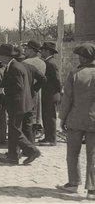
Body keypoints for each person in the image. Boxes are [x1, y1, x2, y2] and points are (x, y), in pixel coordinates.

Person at [57, 43, 95, 200]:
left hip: (75, 119)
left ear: (83, 57)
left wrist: (62, 118)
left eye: (80, 55)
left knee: (72, 153)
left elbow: (67, 99)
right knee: (93, 155)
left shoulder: (75, 74)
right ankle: (92, 190)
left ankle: (73, 183)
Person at [0, 44, 41, 165]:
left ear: (6, 56)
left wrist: (4, 91)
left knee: (15, 131)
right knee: (13, 130)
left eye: (0, 56)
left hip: (17, 104)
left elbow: (18, 87)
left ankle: (32, 150)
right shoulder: (15, 65)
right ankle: (13, 156)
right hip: (21, 103)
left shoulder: (14, 67)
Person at [22, 39, 46, 140]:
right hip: (38, 90)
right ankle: (34, 135)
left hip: (27, 91)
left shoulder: (25, 62)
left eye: (26, 48)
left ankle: (27, 140)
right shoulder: (42, 63)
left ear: (32, 50)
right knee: (35, 116)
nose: (25, 50)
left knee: (26, 117)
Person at [40, 42, 61, 146]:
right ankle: (47, 137)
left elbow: (57, 80)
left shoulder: (51, 63)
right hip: (48, 94)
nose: (41, 52)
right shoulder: (48, 62)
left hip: (51, 95)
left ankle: (52, 139)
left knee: (50, 116)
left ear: (48, 51)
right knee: (46, 116)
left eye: (43, 50)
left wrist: (58, 91)